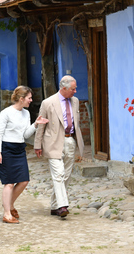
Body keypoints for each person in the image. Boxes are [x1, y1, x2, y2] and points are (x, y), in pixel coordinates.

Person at [0, 85, 49, 224]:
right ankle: (7, 214)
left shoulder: (26, 113)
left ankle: (9, 204)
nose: (31, 100)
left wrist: (35, 124)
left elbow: (25, 134)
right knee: (9, 183)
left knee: (24, 180)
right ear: (21, 98)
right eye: (29, 98)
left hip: (19, 150)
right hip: (6, 149)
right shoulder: (6, 113)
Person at [34, 75, 85, 218]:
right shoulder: (48, 102)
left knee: (66, 175)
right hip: (53, 143)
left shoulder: (75, 101)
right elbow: (41, 124)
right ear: (64, 88)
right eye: (73, 89)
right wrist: (38, 145)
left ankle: (54, 206)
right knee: (58, 174)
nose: (75, 91)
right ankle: (63, 206)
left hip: (70, 141)